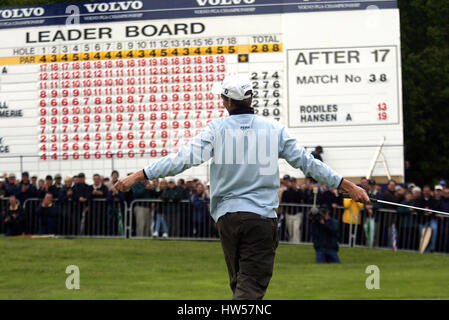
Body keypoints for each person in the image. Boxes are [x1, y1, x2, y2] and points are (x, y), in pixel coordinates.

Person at [114, 74, 369, 300]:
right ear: (251, 98)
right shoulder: (274, 129)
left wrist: (138, 175)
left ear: (227, 101)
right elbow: (307, 163)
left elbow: (180, 160)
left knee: (241, 286)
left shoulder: (216, 129)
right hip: (260, 218)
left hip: (227, 219)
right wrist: (349, 186)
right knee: (249, 289)